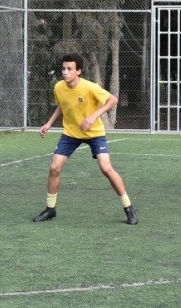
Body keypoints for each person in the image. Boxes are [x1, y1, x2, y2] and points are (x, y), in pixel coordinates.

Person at [33, 53, 138, 225]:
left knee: (106, 168)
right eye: (63, 69)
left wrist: (93, 116)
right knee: (54, 167)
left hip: (94, 133)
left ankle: (129, 208)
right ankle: (50, 209)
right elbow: (63, 104)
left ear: (78, 71)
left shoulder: (90, 87)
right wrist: (49, 123)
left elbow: (113, 100)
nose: (65, 72)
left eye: (69, 69)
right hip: (71, 133)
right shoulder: (59, 87)